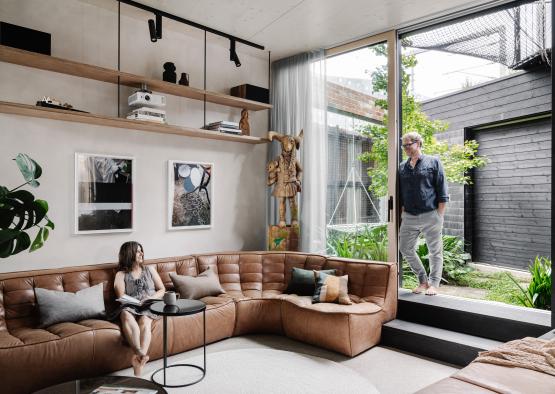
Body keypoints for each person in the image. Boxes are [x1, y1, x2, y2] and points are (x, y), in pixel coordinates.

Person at [399, 132, 449, 296]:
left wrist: (439, 215)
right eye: (404, 145)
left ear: (418, 143)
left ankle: (434, 283)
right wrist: (402, 212)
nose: (406, 148)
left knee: (435, 251)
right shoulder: (402, 167)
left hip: (431, 214)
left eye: (409, 144)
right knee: (405, 248)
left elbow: (442, 190)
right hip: (409, 216)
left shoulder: (433, 162)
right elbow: (400, 192)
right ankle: (422, 281)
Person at [113, 241, 165, 376]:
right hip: (131, 305)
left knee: (145, 322)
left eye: (142, 250)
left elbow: (162, 289)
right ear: (129, 253)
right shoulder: (121, 274)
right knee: (125, 313)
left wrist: (150, 298)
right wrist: (135, 302)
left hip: (149, 304)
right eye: (138, 251)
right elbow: (121, 296)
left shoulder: (150, 269)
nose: (141, 253)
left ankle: (138, 367)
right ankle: (139, 353)